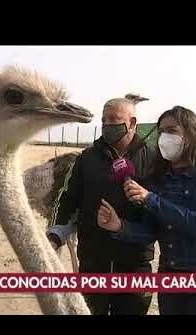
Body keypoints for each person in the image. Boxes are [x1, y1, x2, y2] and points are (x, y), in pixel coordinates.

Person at [97, 105, 196, 315]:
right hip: (169, 277)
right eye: (161, 131)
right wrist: (120, 227)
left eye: (172, 131)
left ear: (190, 134)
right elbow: (152, 231)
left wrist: (152, 200)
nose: (164, 137)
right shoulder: (159, 178)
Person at [47, 94, 155, 315]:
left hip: (134, 266)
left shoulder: (153, 160)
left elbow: (162, 214)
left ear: (132, 123)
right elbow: (66, 198)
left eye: (114, 120)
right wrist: (55, 235)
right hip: (93, 264)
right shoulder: (86, 159)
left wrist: (148, 198)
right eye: (104, 120)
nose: (107, 125)